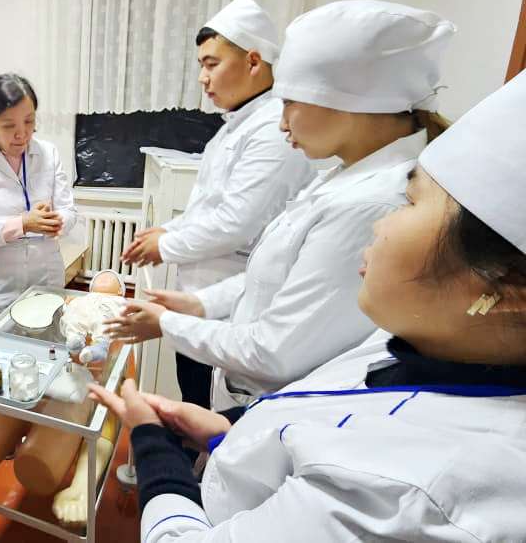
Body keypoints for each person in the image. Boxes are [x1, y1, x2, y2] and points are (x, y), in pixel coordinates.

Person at [90, 67, 526, 543]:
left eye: (409, 203)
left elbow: (273, 347)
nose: (381, 224)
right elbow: (313, 415)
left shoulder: (406, 491)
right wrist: (227, 432)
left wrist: (151, 441)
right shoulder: (404, 346)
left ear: (504, 289)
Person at [107, 0, 455, 410]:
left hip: (270, 397)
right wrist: (200, 303)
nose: (282, 121)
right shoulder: (342, 177)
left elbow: (274, 351)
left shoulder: (371, 204)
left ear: (344, 103)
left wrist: (166, 321)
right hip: (237, 352)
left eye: (290, 102)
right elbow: (272, 273)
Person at [120, 0, 312, 411]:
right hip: (201, 300)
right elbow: (207, 207)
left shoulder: (271, 131)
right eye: (201, 66)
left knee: (209, 411)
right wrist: (168, 230)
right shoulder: (233, 127)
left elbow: (236, 222)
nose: (203, 79)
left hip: (231, 308)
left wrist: (165, 244)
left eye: (212, 64)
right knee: (192, 396)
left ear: (253, 61)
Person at [0, 73, 78, 340]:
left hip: (43, 277)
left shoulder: (48, 154)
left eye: (29, 121)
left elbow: (69, 211)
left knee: (44, 350)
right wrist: (23, 224)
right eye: (9, 125)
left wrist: (56, 221)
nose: (22, 133)